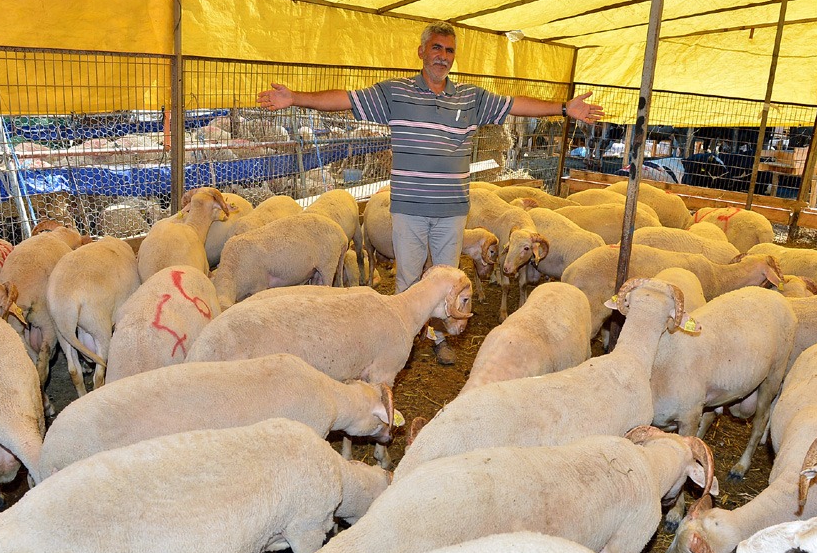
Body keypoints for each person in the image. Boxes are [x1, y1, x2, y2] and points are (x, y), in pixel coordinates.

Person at [258, 21, 603, 365]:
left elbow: (515, 105)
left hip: (452, 210)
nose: (442, 56)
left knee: (447, 276)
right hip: (409, 206)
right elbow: (346, 99)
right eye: (436, 48)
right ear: (422, 51)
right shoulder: (396, 93)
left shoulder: (471, 98)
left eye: (449, 50)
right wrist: (296, 98)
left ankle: (437, 337)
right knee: (408, 278)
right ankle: (402, 343)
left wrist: (563, 108)